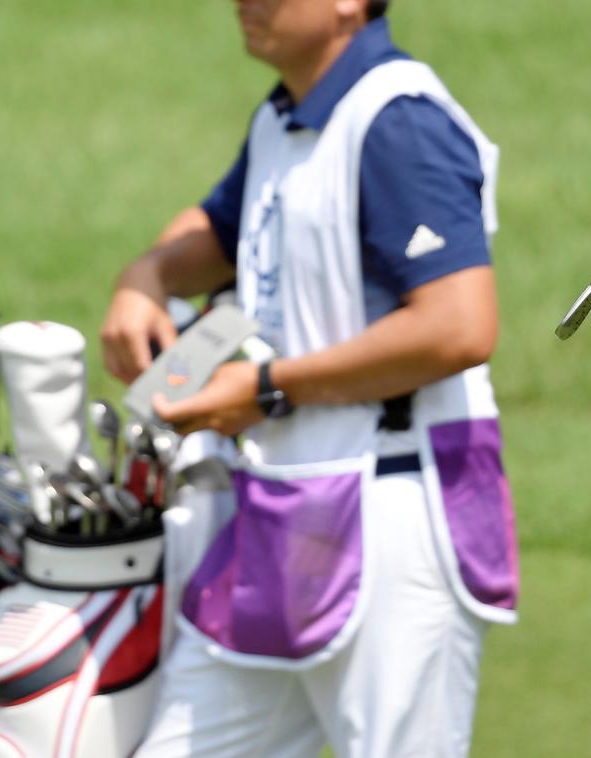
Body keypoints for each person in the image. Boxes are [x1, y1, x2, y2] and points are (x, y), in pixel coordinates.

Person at [99, 1, 518, 756]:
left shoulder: (398, 119)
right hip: (279, 519)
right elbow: (217, 235)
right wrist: (147, 275)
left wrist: (265, 388)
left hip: (398, 525)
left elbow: (460, 326)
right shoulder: (286, 117)